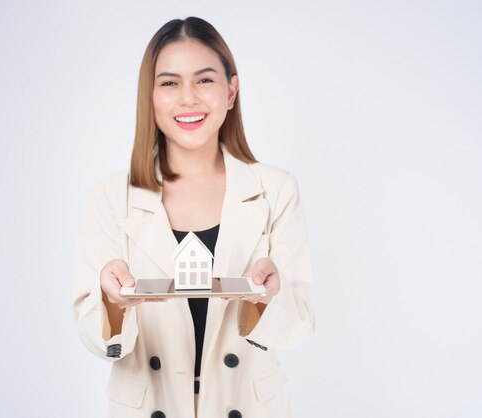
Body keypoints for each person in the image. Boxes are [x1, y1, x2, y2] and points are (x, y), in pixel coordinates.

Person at [72, 16, 316, 418]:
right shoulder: (111, 197)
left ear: (231, 91)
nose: (188, 99)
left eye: (204, 80)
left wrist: (270, 296)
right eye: (169, 83)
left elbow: (300, 325)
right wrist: (113, 302)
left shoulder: (276, 190)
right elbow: (95, 336)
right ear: (149, 96)